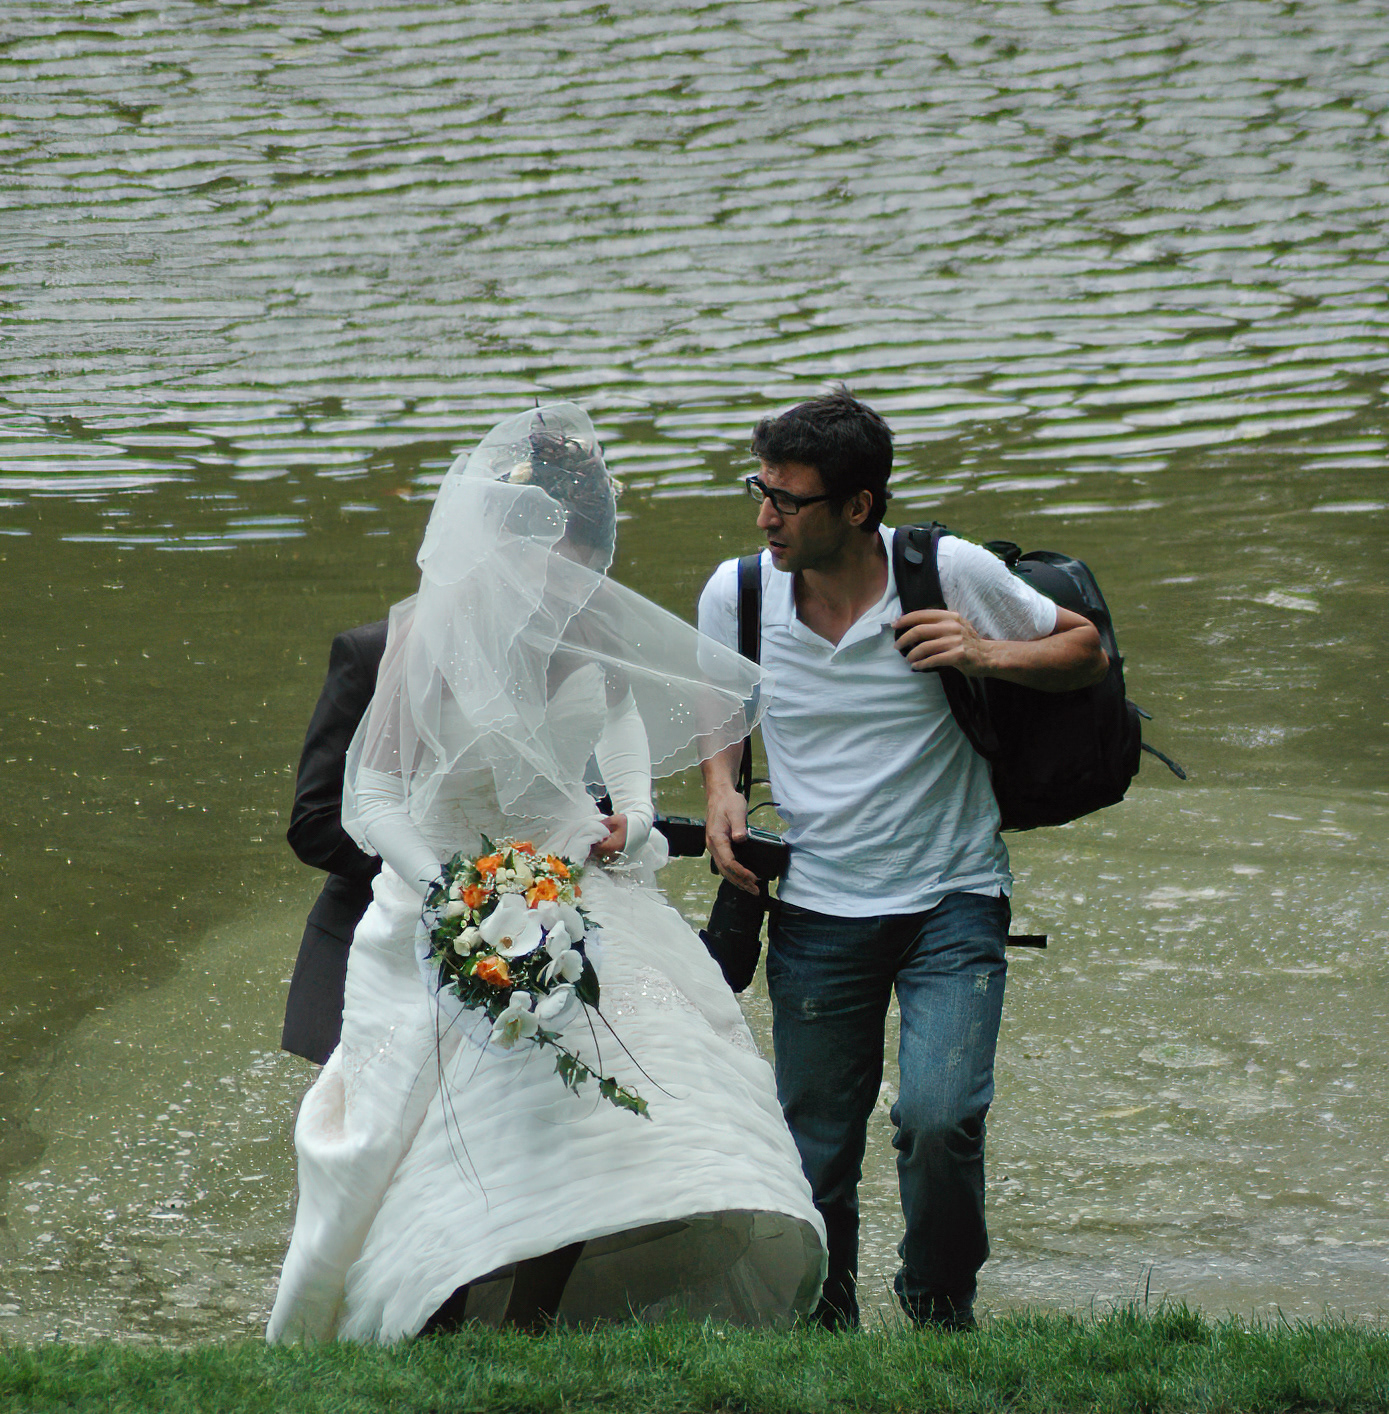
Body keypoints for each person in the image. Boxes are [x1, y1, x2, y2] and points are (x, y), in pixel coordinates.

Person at [267, 403, 825, 1343]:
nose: (565, 580)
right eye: (550, 555)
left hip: (566, 891)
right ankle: (419, 1317)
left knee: (613, 1103)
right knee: (436, 1143)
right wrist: (460, 892)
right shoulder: (406, 644)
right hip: (448, 905)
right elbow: (362, 807)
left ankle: (534, 1316)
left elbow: (614, 727)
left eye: (579, 557)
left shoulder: (581, 624)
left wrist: (633, 817)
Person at [697, 388, 1107, 1331]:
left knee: (939, 1116)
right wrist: (722, 787)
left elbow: (1084, 651)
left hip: (952, 898)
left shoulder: (946, 572)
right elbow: (721, 702)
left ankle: (936, 1305)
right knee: (815, 1145)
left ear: (856, 507)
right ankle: (824, 1318)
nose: (765, 517)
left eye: (786, 500)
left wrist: (984, 652)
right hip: (812, 908)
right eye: (758, 491)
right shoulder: (741, 591)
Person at [281, 619, 388, 1065]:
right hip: (375, 939)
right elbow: (315, 822)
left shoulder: (586, 647)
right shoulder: (372, 653)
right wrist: (443, 874)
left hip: (543, 915)